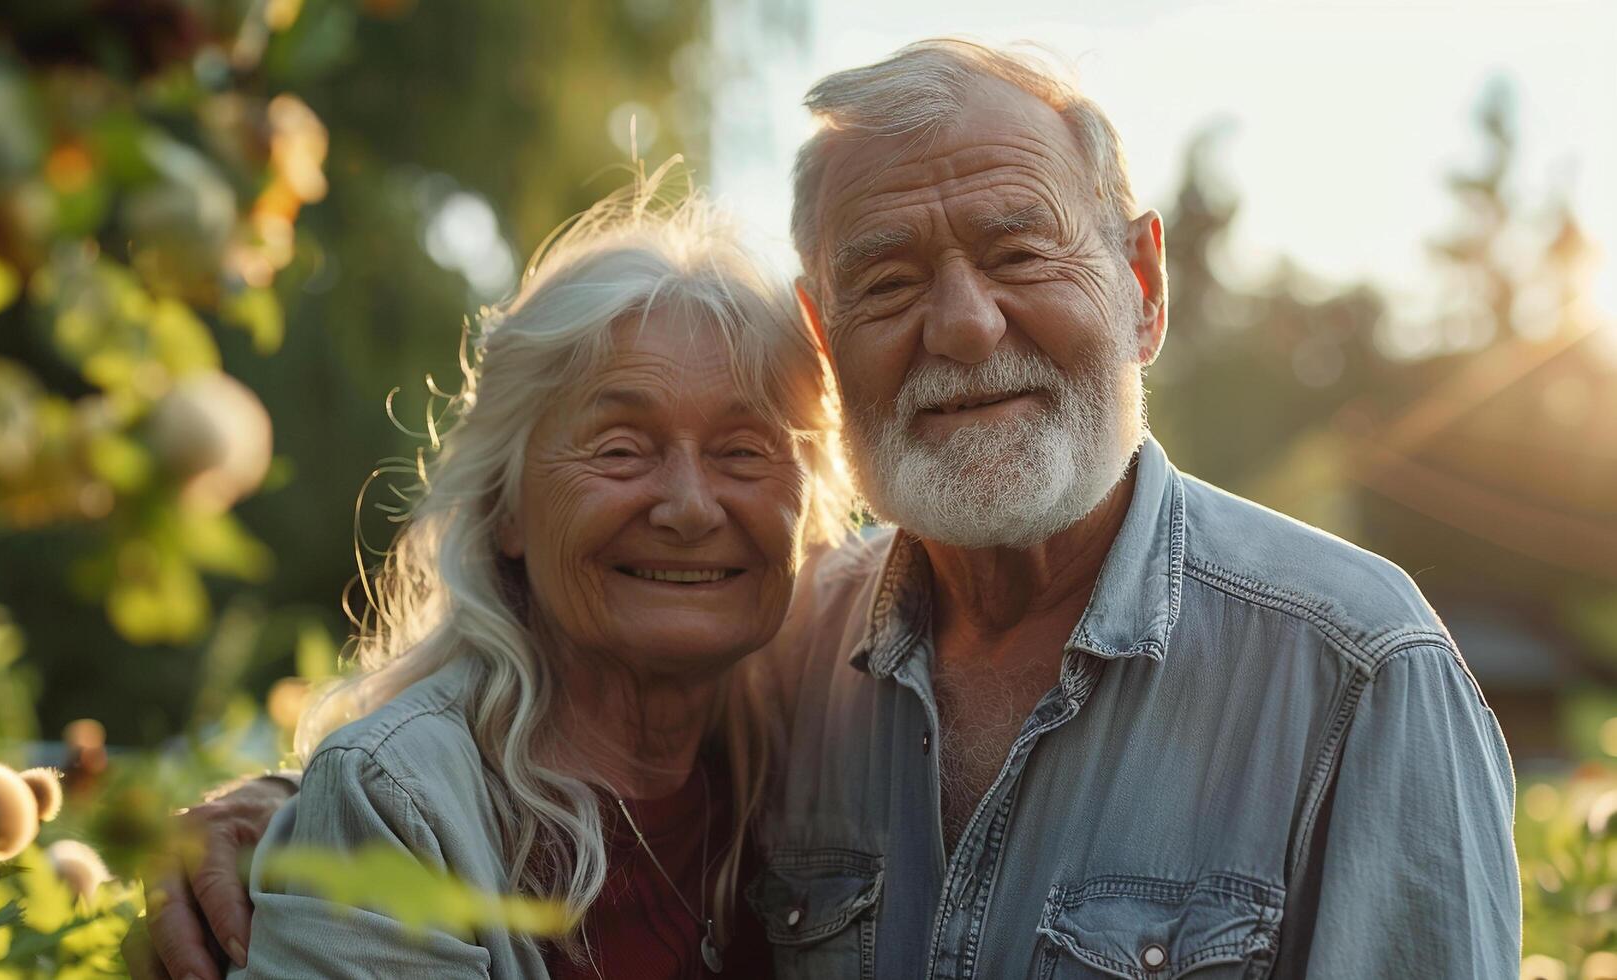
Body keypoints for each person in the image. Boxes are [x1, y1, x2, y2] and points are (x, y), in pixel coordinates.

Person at [133, 38, 1522, 980]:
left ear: (1142, 284)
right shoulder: (793, 655)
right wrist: (286, 814)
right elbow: (547, 734)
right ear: (824, 330)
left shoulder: (1354, 671)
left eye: (1018, 248)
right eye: (888, 278)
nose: (966, 328)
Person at [131, 165, 853, 978]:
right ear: (506, 508)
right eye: (620, 450)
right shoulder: (396, 808)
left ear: (808, 506)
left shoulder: (836, 743)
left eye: (743, 452)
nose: (689, 507)